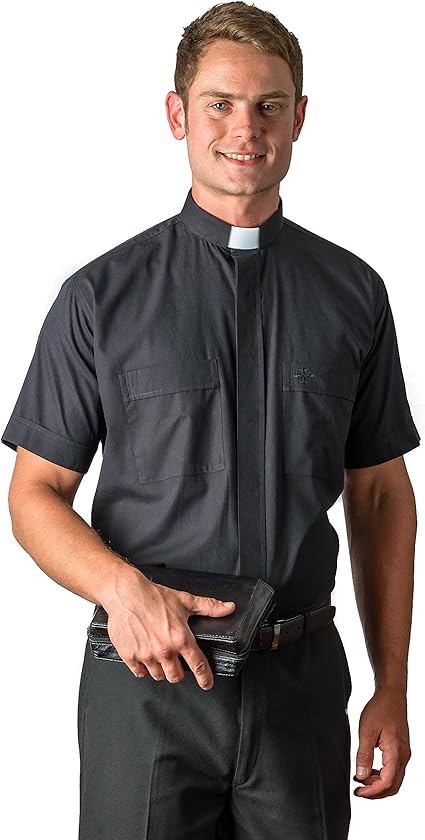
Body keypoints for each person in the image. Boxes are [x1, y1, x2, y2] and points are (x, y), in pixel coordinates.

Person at [2, 2, 420, 838]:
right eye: (220, 103)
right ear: (177, 114)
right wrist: (121, 590)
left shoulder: (353, 294)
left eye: (269, 105)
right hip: (144, 684)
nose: (245, 129)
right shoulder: (99, 297)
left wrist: (391, 686)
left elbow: (379, 496)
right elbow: (34, 494)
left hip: (300, 685)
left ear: (299, 118)